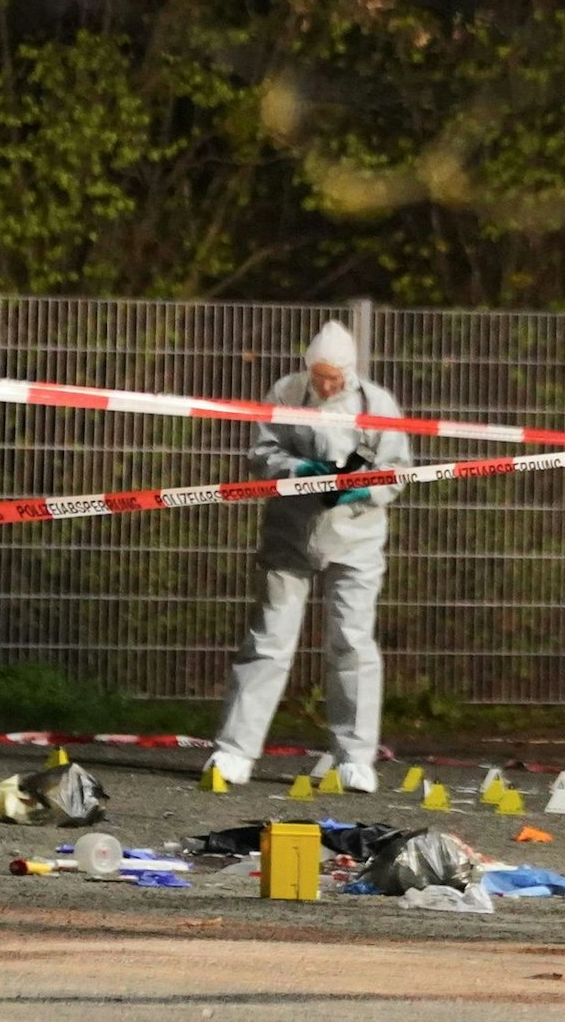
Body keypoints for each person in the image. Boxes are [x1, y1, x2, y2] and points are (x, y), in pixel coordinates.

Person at [203, 321, 410, 793]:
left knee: (352, 643)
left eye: (334, 377)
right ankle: (234, 750)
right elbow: (261, 453)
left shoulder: (378, 405)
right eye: (319, 375)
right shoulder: (285, 392)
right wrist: (301, 471)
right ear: (308, 368)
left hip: (356, 540)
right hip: (290, 537)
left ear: (350, 372)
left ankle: (356, 756)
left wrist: (360, 486)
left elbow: (397, 473)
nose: (326, 384)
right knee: (269, 640)